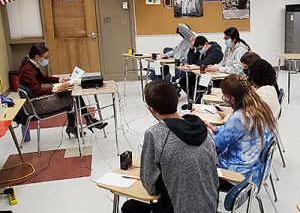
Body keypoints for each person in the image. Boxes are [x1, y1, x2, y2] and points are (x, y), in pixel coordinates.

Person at [121, 80, 219, 213]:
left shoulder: (155, 134)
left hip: (177, 209)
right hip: (211, 207)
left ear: (150, 109)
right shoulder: (202, 127)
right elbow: (214, 164)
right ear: (177, 100)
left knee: (129, 207)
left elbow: (150, 186)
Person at [18, 44, 107, 138]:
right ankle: (86, 121)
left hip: (35, 101)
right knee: (72, 98)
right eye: (46, 57)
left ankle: (79, 124)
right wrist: (56, 89)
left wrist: (60, 80)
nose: (47, 59)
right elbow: (36, 91)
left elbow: (42, 78)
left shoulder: (31, 65)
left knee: (70, 93)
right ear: (37, 57)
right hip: (35, 106)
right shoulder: (27, 70)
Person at [205, 74, 276, 186]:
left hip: (239, 174)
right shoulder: (260, 107)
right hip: (256, 170)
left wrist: (205, 134)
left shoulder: (240, 117)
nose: (226, 100)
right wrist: (217, 130)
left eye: (225, 97)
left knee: (197, 164)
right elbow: (241, 135)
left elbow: (215, 145)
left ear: (232, 98)